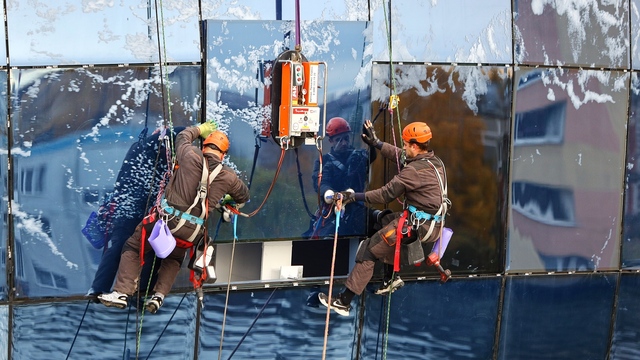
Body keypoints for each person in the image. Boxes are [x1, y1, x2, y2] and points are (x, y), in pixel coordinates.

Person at [98, 123, 250, 313]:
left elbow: (183, 137)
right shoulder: (229, 176)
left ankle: (121, 292)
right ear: (224, 155)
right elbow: (244, 196)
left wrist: (199, 129)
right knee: (174, 258)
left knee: (135, 246)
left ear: (204, 147)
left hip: (169, 222)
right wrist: (227, 198)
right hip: (193, 232)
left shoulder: (190, 154)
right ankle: (158, 296)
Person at [318, 120, 450, 316]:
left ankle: (343, 302)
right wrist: (377, 143)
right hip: (431, 224)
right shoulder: (434, 162)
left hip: (417, 226)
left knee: (369, 250)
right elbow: (400, 155)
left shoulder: (413, 172)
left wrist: (351, 197)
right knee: (384, 221)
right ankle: (391, 279)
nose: (404, 148)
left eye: (406, 144)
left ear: (414, 145)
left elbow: (383, 195)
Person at [86, 127, 184, 297]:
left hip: (126, 210)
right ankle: (142, 291)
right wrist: (195, 131)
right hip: (135, 211)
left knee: (122, 247)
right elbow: (173, 135)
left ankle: (99, 288)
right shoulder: (149, 146)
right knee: (147, 247)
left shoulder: (141, 152)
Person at [306, 117, 378, 238]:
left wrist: (371, 143)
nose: (344, 143)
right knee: (327, 235)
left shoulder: (358, 156)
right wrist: (330, 193)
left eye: (346, 138)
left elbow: (371, 157)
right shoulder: (324, 161)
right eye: (339, 140)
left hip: (356, 208)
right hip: (333, 209)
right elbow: (320, 183)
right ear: (331, 141)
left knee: (375, 224)